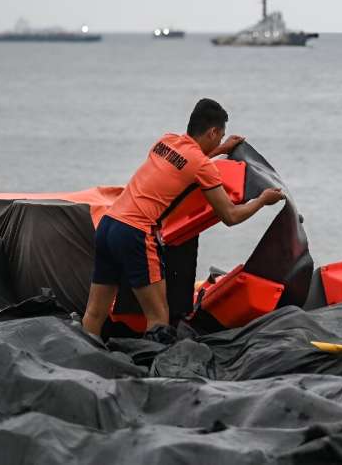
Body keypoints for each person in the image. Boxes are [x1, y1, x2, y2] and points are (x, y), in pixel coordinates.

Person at [82, 98, 285, 338]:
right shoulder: (202, 165)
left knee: (95, 313)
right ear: (212, 131)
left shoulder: (165, 141)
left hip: (108, 225)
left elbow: (185, 161)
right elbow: (230, 216)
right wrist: (262, 200)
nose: (219, 141)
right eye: (219, 137)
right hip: (134, 233)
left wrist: (220, 150)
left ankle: (83, 362)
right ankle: (155, 374)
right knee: (158, 318)